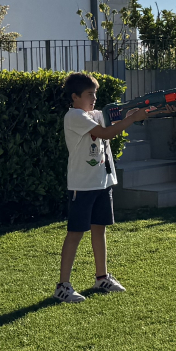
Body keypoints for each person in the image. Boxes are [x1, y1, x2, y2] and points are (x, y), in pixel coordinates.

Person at [57, 72, 146, 303]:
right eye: (89, 94)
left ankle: (102, 277)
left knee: (99, 229)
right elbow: (106, 132)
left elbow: (114, 120)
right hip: (82, 185)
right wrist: (133, 118)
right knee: (75, 233)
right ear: (75, 97)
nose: (94, 98)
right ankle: (63, 286)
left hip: (102, 183)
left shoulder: (95, 114)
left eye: (95, 94)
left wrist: (145, 110)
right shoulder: (74, 116)